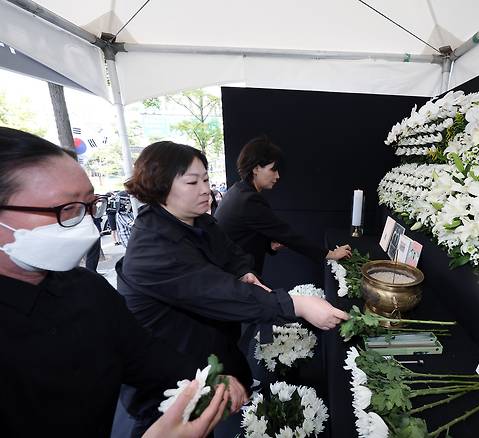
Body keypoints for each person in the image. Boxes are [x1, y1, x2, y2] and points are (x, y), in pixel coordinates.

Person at [0, 127, 230, 437]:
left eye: (89, 206)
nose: (86, 225)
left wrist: (209, 381)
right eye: (66, 210)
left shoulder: (87, 289)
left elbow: (144, 356)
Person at [116, 141, 349, 436]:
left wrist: (245, 273)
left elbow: (231, 254)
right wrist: (297, 304)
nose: (205, 189)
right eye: (192, 182)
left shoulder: (197, 219)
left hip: (199, 357)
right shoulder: (153, 247)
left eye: (205, 179)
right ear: (160, 186)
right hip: (165, 379)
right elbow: (216, 291)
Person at [214, 136, 351, 275]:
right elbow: (288, 235)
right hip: (235, 277)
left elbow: (244, 237)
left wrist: (269, 245)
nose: (278, 176)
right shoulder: (248, 200)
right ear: (256, 169)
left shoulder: (237, 191)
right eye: (273, 169)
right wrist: (331, 254)